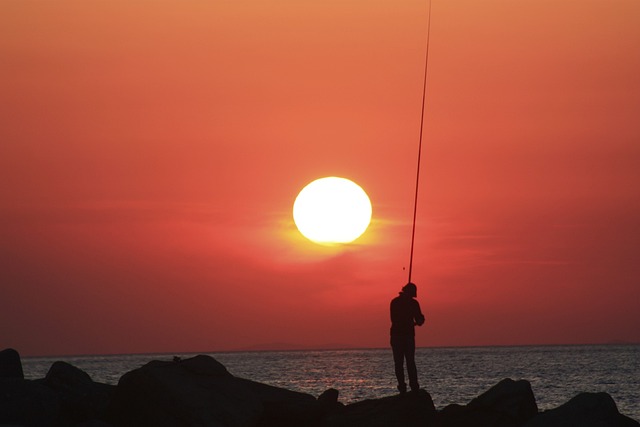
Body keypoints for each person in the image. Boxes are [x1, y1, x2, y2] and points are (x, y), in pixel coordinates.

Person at [390, 282, 425, 394]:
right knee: (404, 362)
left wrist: (419, 321)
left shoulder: (408, 303)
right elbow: (395, 319)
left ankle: (409, 386)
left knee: (405, 362)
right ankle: (407, 387)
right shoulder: (400, 303)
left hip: (402, 336)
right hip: (401, 336)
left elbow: (419, 318)